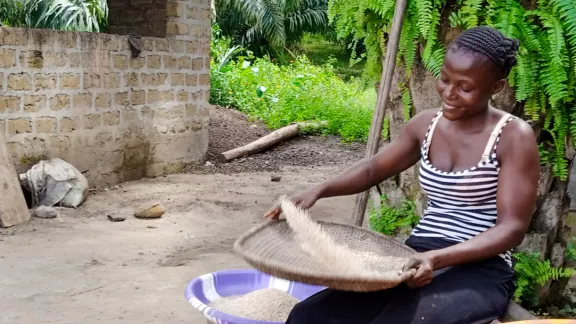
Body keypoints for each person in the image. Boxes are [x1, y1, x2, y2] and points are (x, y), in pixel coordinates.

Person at [264, 26, 540, 324]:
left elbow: (511, 229)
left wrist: (437, 259)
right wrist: (319, 190)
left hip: (481, 269)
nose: (449, 93)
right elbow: (373, 169)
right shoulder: (425, 125)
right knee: (309, 316)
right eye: (445, 79)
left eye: (465, 88)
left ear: (496, 87)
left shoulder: (513, 137)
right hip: (415, 256)